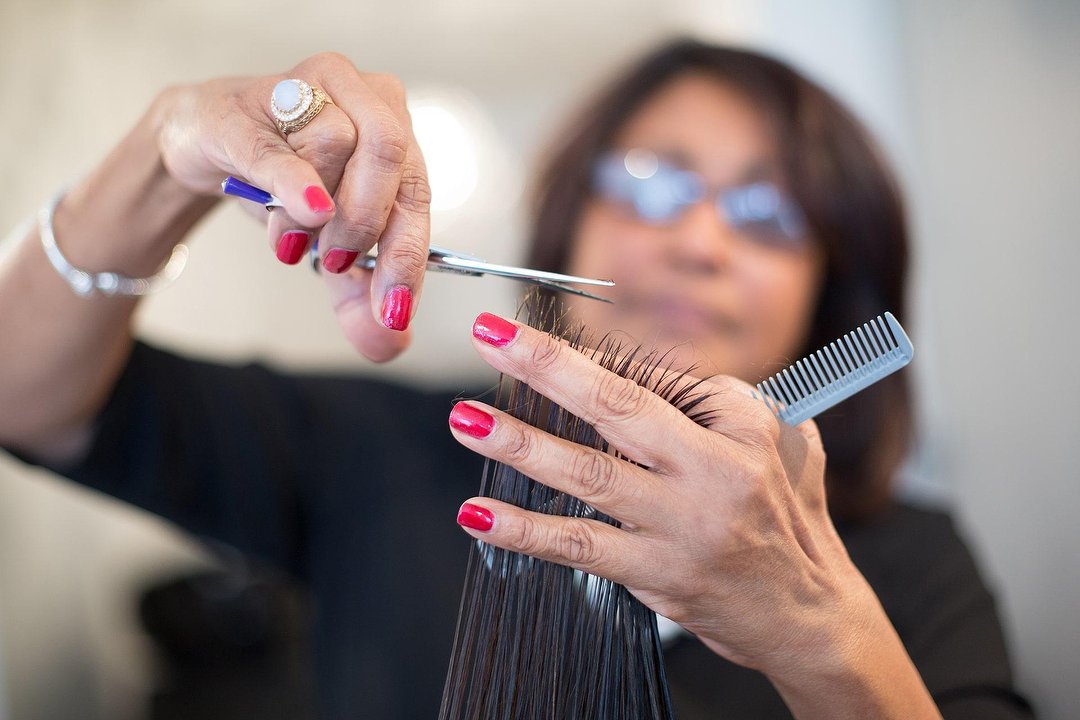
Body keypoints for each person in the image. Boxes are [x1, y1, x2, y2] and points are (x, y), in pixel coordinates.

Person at [0, 39, 1033, 719]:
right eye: (651, 183)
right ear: (565, 221)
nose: (701, 240)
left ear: (828, 289)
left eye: (770, 215)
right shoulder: (387, 451)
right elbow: (23, 394)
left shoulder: (911, 567)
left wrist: (816, 632)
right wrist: (159, 150)